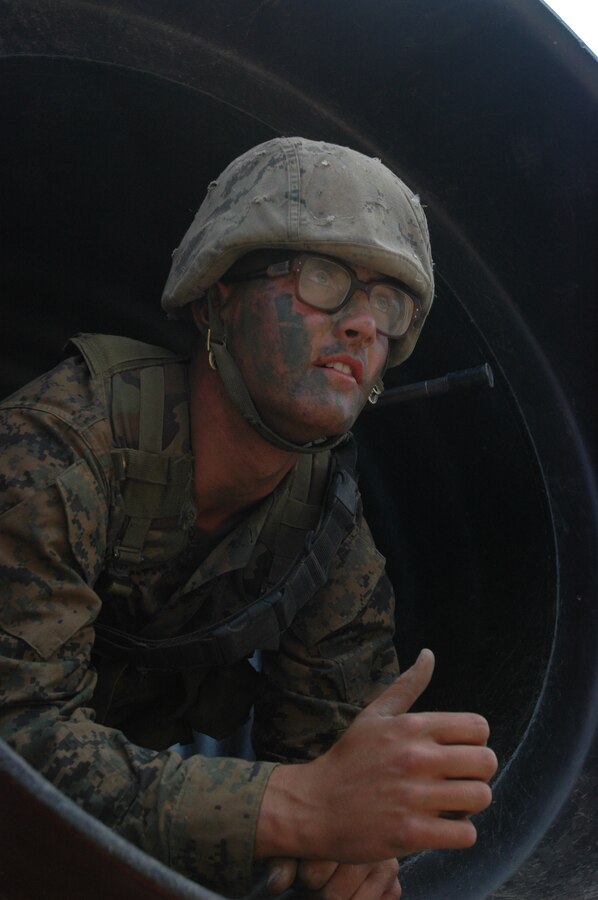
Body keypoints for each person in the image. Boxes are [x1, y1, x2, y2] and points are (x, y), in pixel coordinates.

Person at [0, 137, 497, 899]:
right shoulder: (58, 447)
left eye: (387, 302)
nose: (363, 325)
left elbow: (334, 771)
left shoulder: (329, 536)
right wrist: (295, 810)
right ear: (215, 298)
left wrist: (352, 846)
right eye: (324, 279)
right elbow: (17, 748)